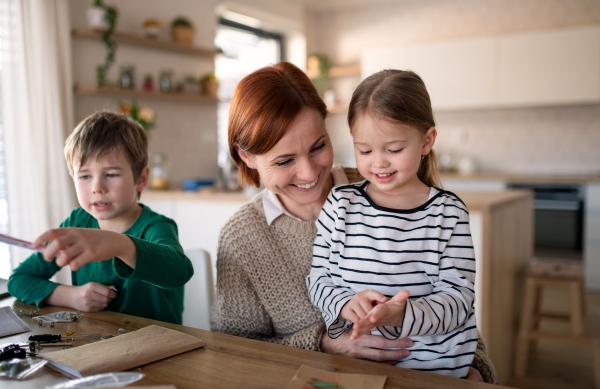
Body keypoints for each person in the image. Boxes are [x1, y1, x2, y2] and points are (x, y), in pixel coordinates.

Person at [211, 62, 496, 383]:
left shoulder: (390, 185)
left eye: (318, 146)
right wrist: (322, 344)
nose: (308, 173)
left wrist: (476, 371)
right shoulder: (242, 239)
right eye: (285, 160)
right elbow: (234, 353)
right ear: (246, 156)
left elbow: (456, 303)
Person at [307, 69, 477, 378]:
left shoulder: (447, 213)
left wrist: (404, 314)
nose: (379, 162)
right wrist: (345, 304)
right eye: (365, 150)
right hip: (357, 370)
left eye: (394, 150)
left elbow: (459, 299)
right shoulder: (339, 204)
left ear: (427, 141)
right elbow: (318, 279)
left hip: (434, 371)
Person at [7, 112, 193, 324]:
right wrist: (73, 296)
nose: (97, 188)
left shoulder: (155, 226)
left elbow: (180, 271)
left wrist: (120, 245)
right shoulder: (76, 223)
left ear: (141, 179)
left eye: (111, 174)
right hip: (94, 344)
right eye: (85, 176)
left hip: (161, 348)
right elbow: (19, 280)